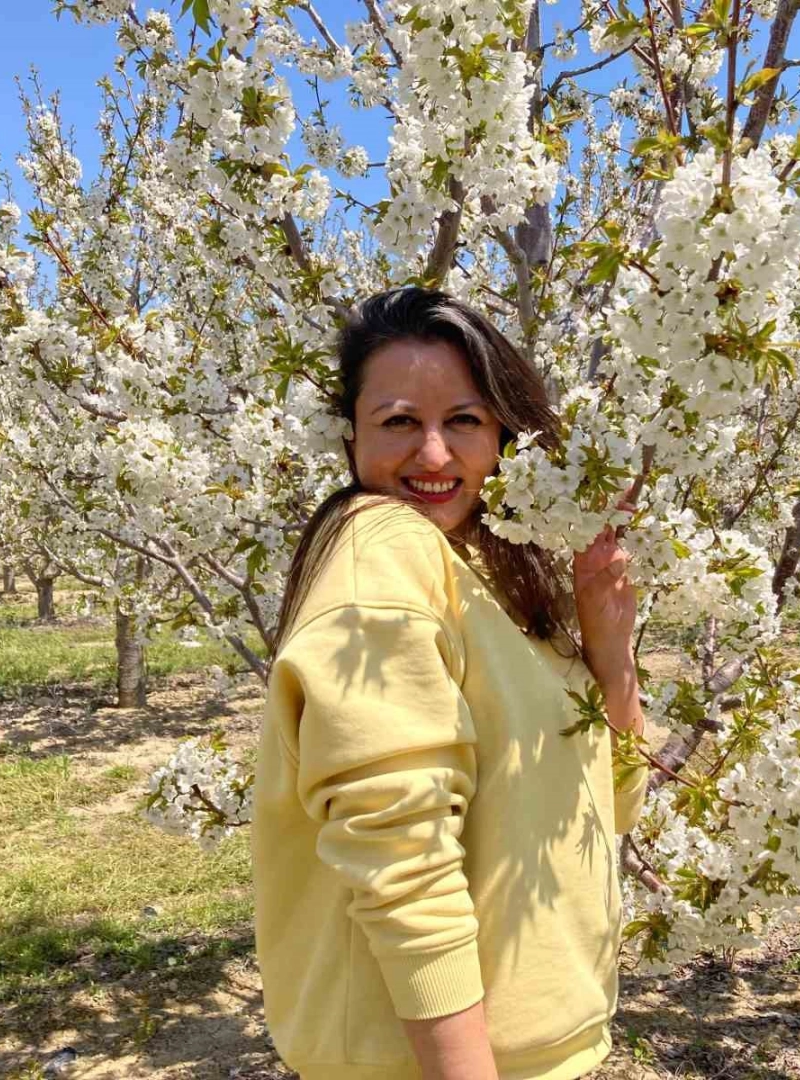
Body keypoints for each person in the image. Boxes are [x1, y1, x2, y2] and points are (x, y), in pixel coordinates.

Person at [252, 287, 648, 1080]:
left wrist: (610, 653)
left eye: (463, 421)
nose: (434, 456)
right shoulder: (382, 548)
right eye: (399, 422)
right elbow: (402, 859)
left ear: (504, 433)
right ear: (351, 434)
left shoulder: (493, 568)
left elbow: (609, 808)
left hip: (544, 1050)